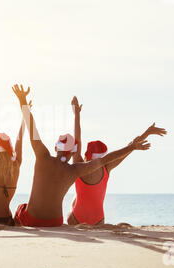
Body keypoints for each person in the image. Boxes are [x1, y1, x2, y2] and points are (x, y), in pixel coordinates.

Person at [11, 84, 151, 227]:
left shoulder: (43, 157)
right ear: (72, 152)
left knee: (21, 208)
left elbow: (32, 129)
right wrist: (132, 147)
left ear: (55, 147)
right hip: (55, 222)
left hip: (33, 220)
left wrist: (22, 100)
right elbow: (106, 159)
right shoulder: (74, 169)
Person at [67, 96, 167, 225]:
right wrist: (146, 133)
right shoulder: (106, 167)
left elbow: (77, 138)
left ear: (87, 155)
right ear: (104, 156)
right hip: (98, 220)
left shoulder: (78, 165)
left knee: (74, 201)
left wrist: (76, 115)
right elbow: (129, 148)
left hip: (76, 219)